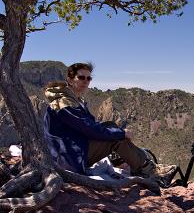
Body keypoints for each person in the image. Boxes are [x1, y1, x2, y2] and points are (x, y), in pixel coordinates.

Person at [43, 62, 176, 187]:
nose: (86, 81)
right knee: (118, 139)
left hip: (73, 148)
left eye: (89, 78)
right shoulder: (64, 103)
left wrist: (112, 130)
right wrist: (121, 133)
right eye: (81, 77)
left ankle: (134, 164)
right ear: (70, 80)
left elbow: (89, 125)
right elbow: (88, 128)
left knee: (110, 125)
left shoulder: (74, 100)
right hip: (69, 157)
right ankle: (150, 172)